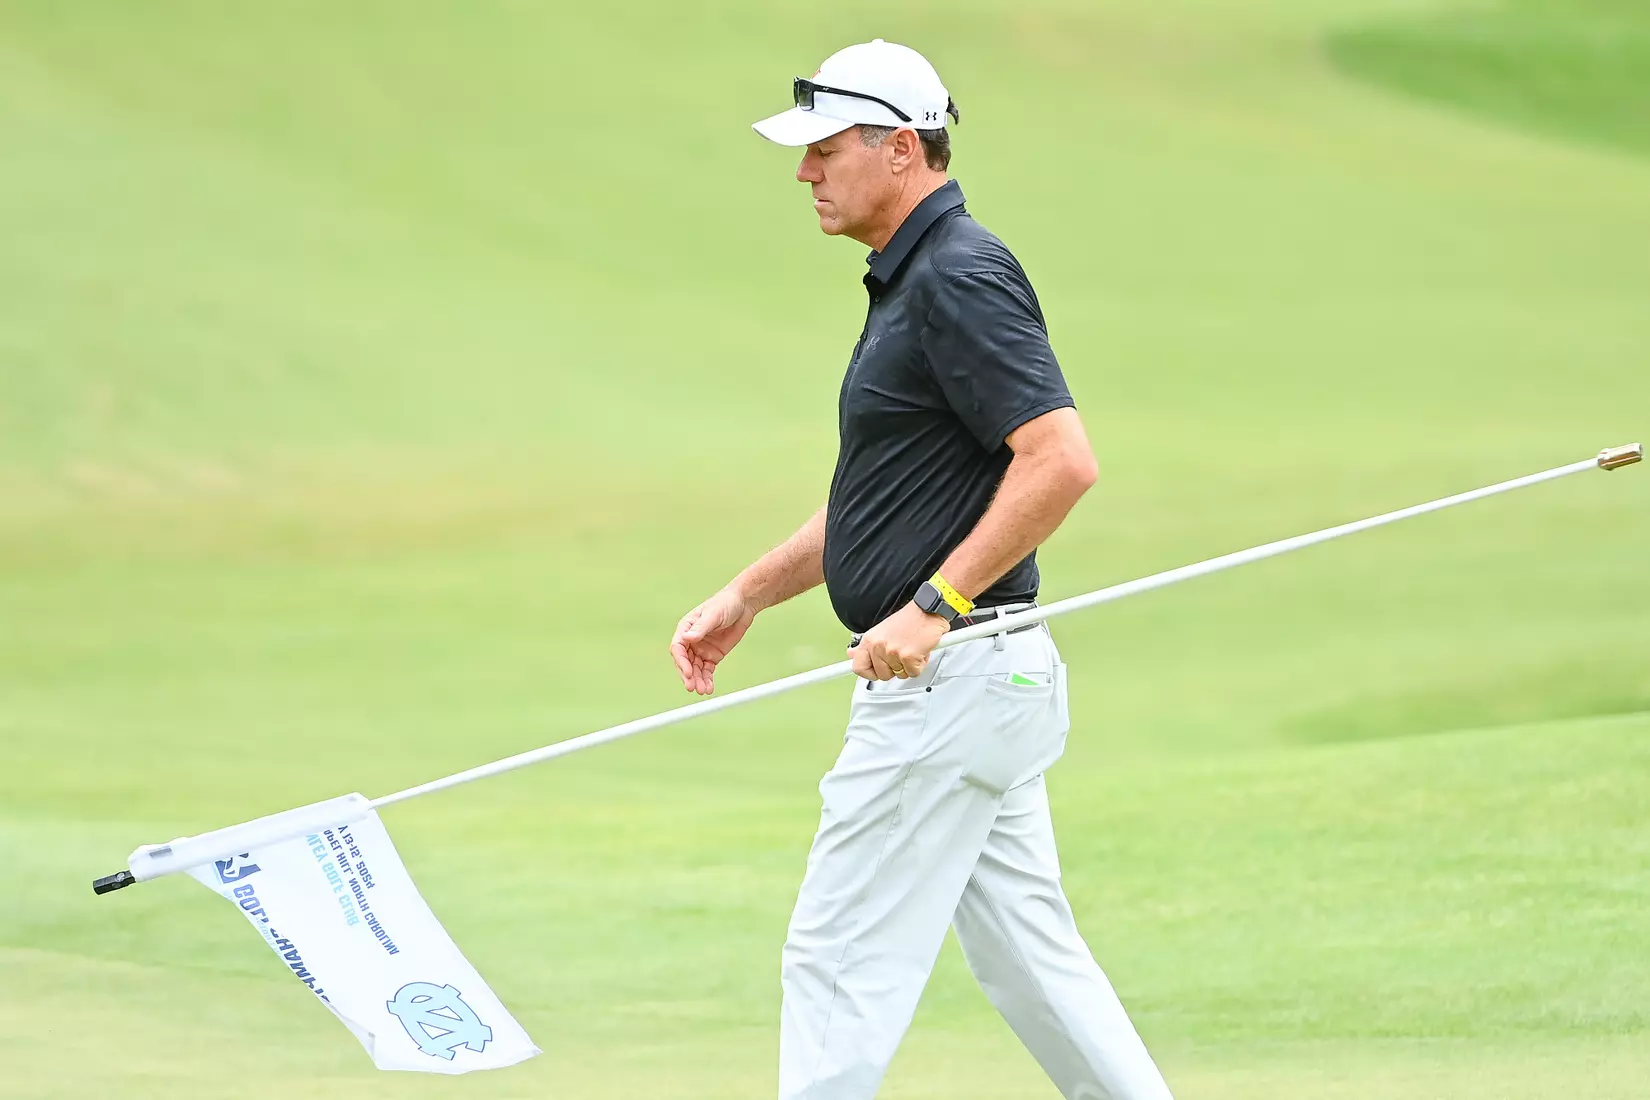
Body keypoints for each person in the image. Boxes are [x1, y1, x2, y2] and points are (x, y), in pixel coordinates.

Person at [669, 38, 1175, 1100]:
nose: (804, 171)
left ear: (901, 148)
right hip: (988, 683)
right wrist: (750, 590)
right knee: (1034, 961)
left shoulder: (957, 273)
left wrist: (934, 605)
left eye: (823, 148)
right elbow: (883, 500)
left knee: (837, 961)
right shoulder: (916, 278)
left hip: (948, 682)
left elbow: (1061, 459)